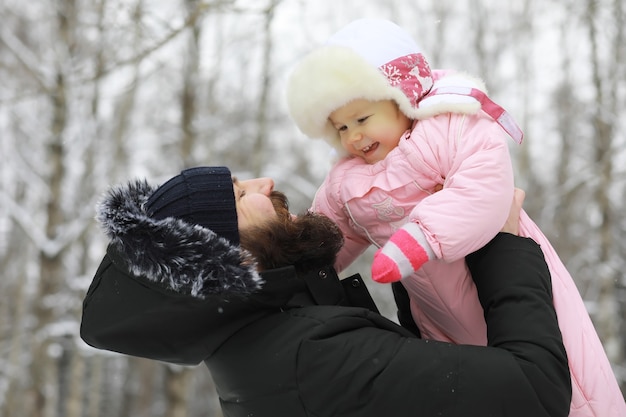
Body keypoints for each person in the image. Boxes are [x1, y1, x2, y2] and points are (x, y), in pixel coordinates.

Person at [286, 18, 625, 417]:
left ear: (402, 99)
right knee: (482, 392)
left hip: (497, 277)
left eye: (362, 120)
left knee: (571, 384)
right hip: (437, 315)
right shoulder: (345, 179)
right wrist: (293, 262)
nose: (353, 137)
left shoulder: (448, 127)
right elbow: (327, 233)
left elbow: (484, 185)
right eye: (341, 128)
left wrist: (420, 238)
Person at [81, 166, 571, 417]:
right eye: (238, 193)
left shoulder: (270, 340)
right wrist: (505, 244)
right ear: (229, 255)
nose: (265, 182)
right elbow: (534, 388)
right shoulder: (311, 358)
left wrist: (416, 257)